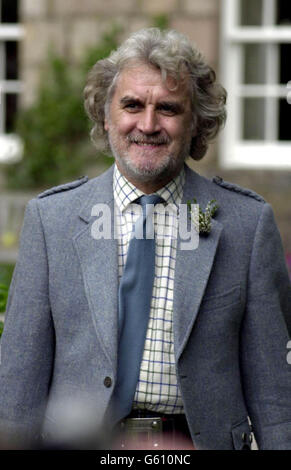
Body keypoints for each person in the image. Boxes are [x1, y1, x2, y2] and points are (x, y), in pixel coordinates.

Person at [0, 27, 291, 451]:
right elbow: (18, 380)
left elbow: (274, 392)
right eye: (132, 105)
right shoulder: (52, 220)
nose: (148, 125)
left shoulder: (248, 224)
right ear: (106, 115)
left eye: (169, 109)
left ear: (195, 122)